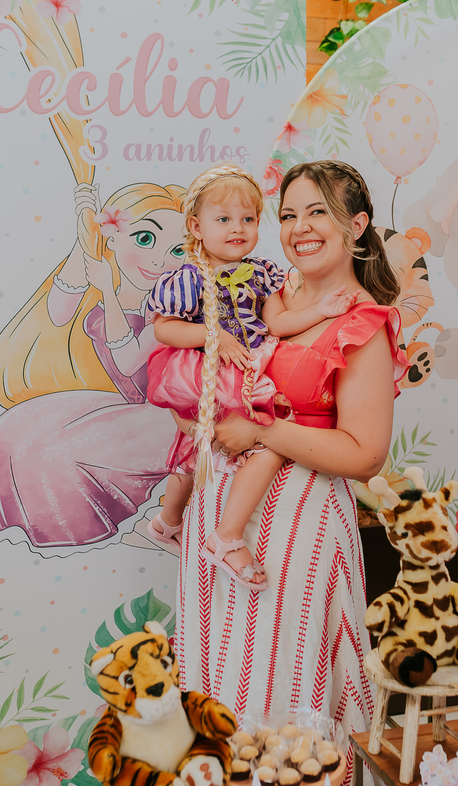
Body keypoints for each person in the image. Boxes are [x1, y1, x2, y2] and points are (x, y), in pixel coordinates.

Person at [175, 161, 409, 786]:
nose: (300, 228)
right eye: (288, 214)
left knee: (280, 689)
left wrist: (264, 434)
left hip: (295, 530)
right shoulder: (274, 298)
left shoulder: (363, 323)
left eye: (318, 213)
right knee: (220, 673)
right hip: (225, 524)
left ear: (357, 227)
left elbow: (365, 454)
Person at [0, 182, 188, 550]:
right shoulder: (103, 276)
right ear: (113, 238)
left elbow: (128, 359)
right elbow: (58, 312)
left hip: (165, 413)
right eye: (145, 239)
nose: (161, 260)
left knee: (52, 453)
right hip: (127, 403)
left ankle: (138, 524)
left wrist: (109, 295)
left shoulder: (174, 302)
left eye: (178, 249)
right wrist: (86, 236)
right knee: (13, 430)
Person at [143, 164, 358, 591]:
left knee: (250, 440)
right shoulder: (188, 278)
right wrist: (213, 337)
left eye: (248, 219)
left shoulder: (261, 274)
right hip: (205, 370)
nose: (237, 229)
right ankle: (185, 524)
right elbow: (163, 329)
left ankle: (204, 527)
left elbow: (277, 324)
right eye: (223, 220)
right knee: (199, 448)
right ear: (196, 226)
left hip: (246, 367)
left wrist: (321, 311)